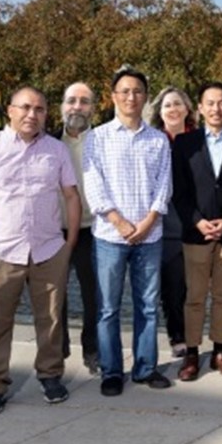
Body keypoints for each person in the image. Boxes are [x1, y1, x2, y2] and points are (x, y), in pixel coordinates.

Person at [0, 86, 80, 415]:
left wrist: (68, 247)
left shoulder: (56, 150)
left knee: (51, 320)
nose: (32, 114)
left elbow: (70, 196)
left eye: (39, 109)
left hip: (48, 249)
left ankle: (51, 375)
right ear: (9, 110)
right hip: (1, 253)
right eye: (25, 107)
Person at [83, 66, 173, 396]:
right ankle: (111, 371)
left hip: (150, 236)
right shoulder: (97, 137)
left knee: (147, 305)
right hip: (110, 236)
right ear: (113, 97)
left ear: (145, 97)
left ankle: (145, 368)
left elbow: (164, 185)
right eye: (124, 91)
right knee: (108, 307)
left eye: (137, 91)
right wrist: (119, 222)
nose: (131, 97)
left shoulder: (158, 140)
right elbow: (94, 186)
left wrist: (149, 220)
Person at [171, 82, 222, 381]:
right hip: (196, 233)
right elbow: (178, 191)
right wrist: (197, 221)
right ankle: (192, 353)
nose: (217, 109)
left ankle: (220, 350)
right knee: (194, 297)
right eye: (211, 103)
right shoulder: (184, 143)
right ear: (201, 107)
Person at [146, 86, 195, 358]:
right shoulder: (153, 141)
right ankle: (178, 336)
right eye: (167, 105)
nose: (173, 109)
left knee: (195, 287)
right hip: (163, 224)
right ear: (159, 112)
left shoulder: (198, 140)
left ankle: (203, 335)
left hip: (196, 221)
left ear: (187, 109)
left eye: (178, 104)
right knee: (172, 286)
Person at [58, 82, 100, 374]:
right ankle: (57, 351)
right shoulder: (46, 141)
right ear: (61, 106)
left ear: (93, 109)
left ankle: (93, 350)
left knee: (94, 296)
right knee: (53, 297)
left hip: (93, 229)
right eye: (71, 100)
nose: (77, 106)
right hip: (53, 231)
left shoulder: (103, 140)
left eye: (84, 102)